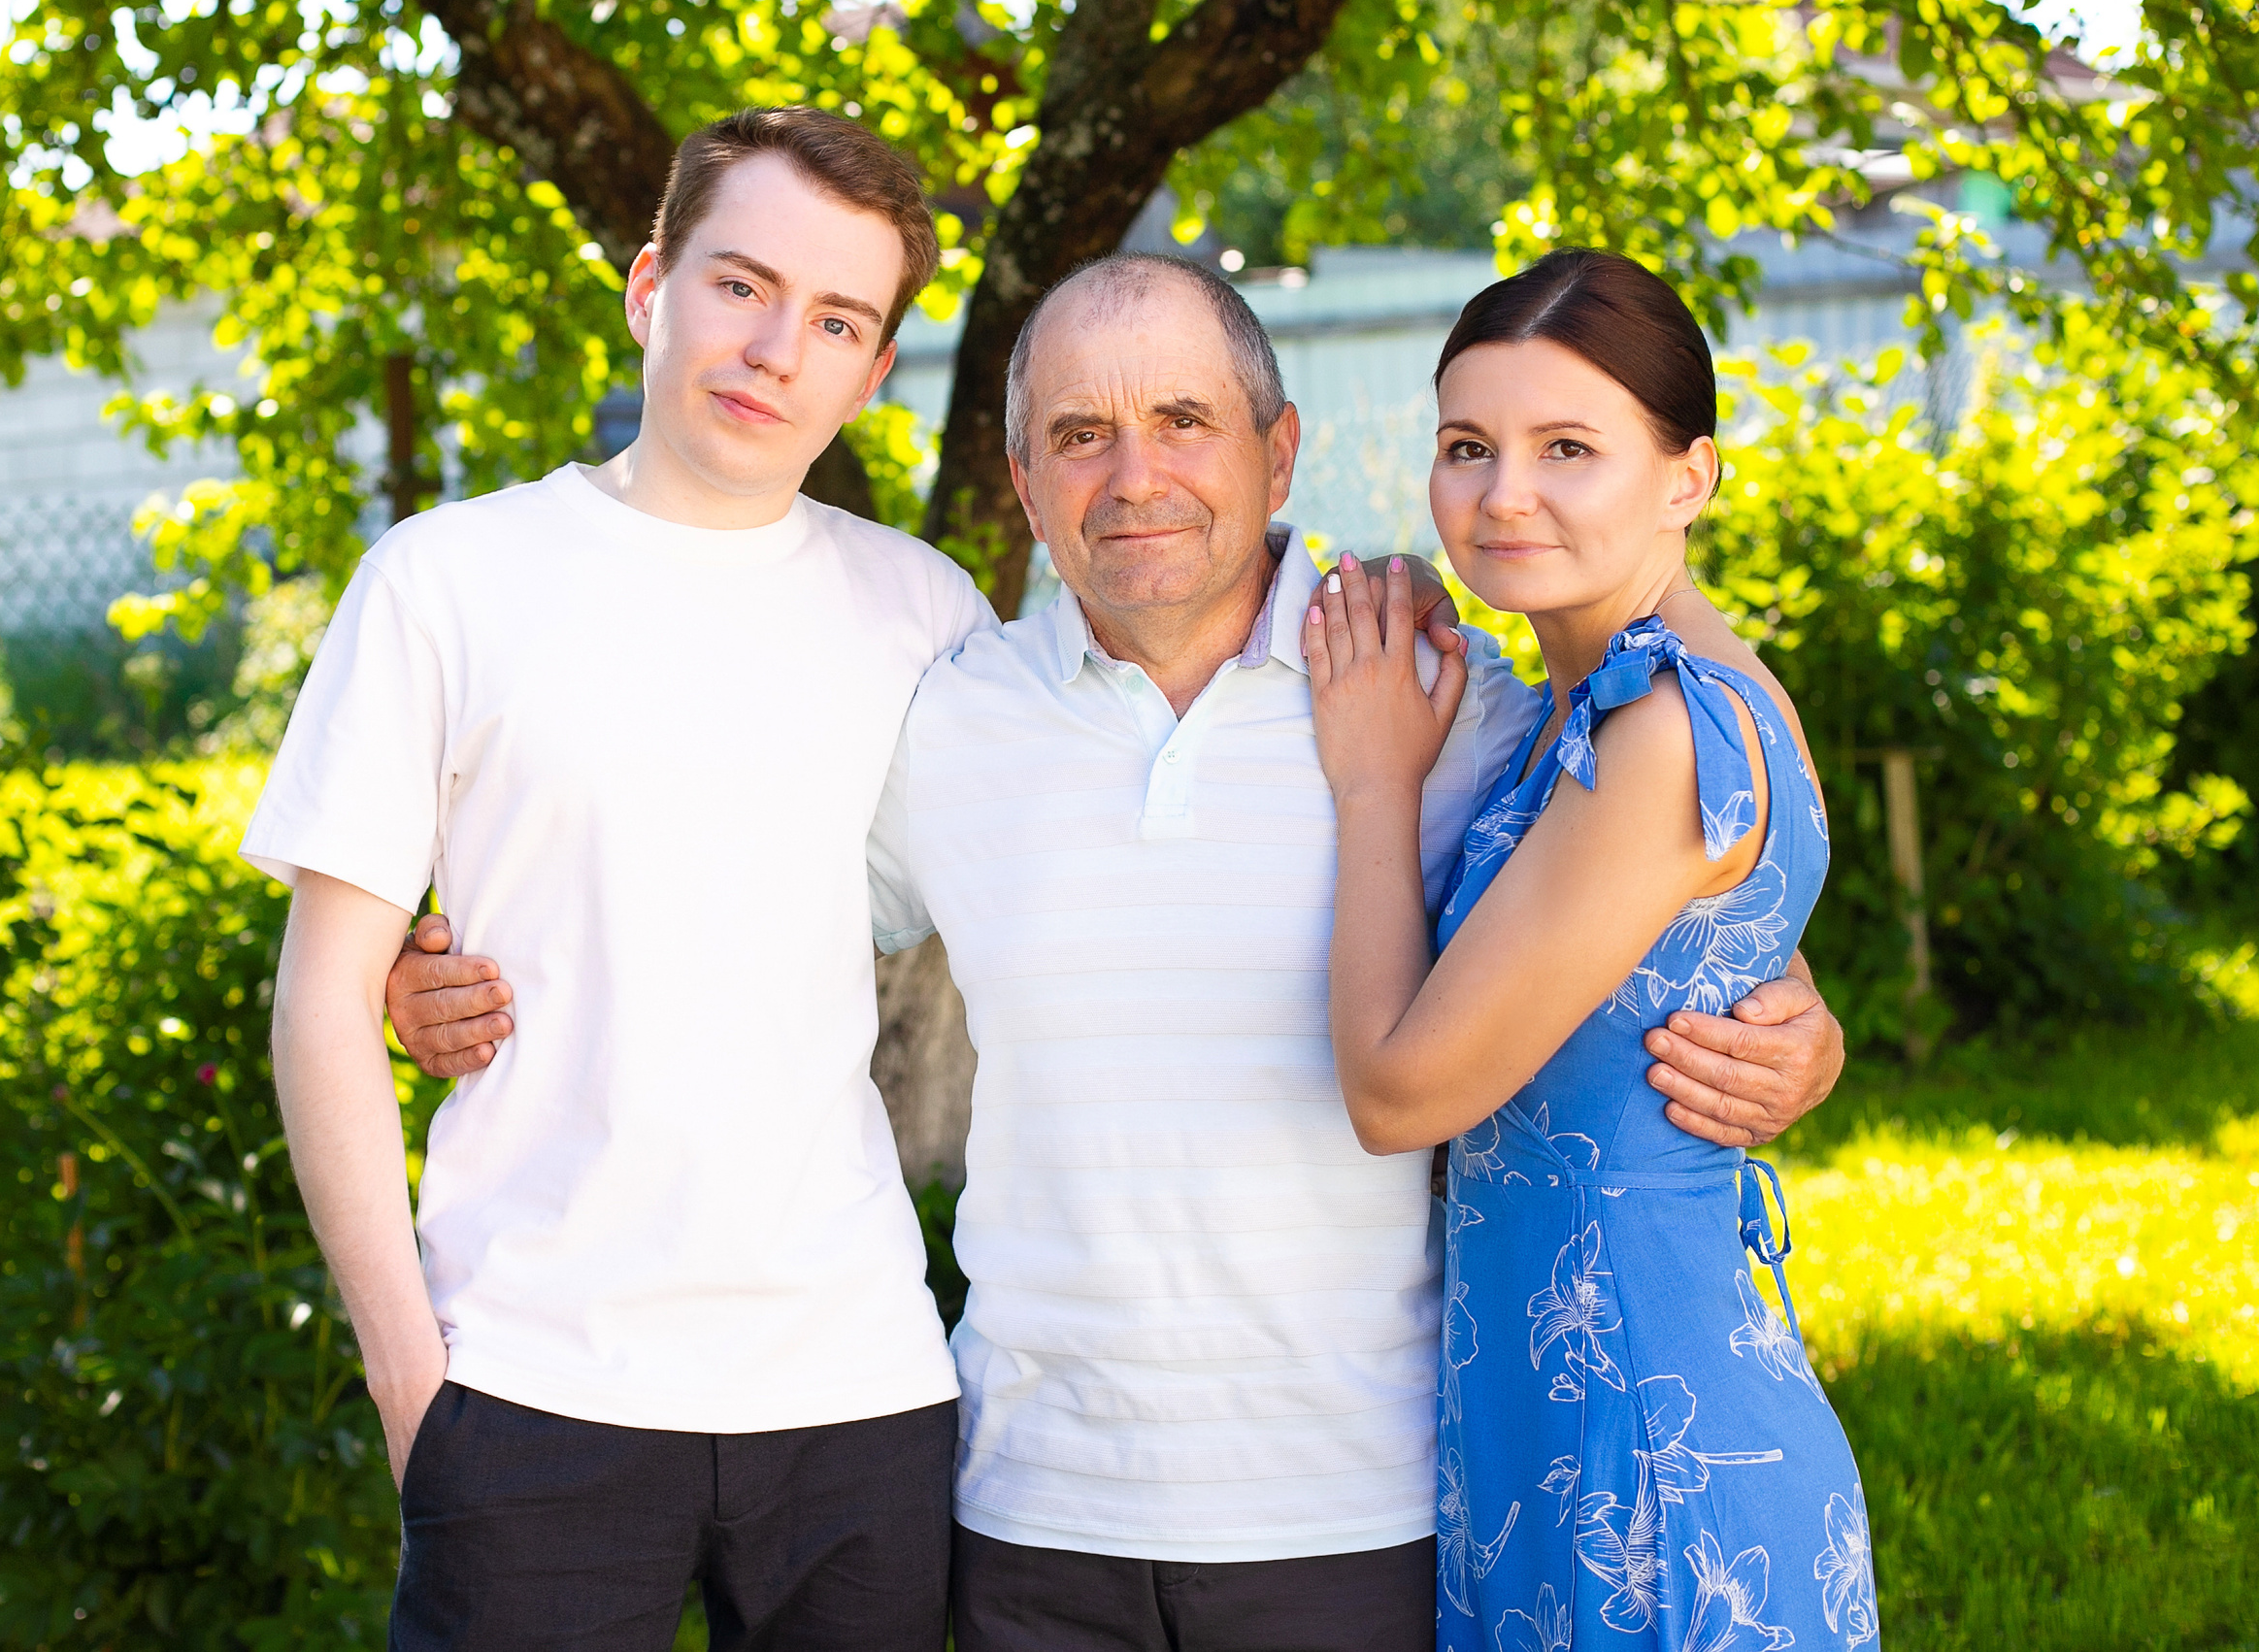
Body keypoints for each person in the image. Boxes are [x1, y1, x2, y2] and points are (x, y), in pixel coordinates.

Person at [388, 250, 1850, 1651]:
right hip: (1038, 1508)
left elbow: (1658, 894)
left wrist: (1786, 1014)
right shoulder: (950, 718)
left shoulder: (1437, 697)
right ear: (1022, 484)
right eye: (1079, 435)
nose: (1134, 475)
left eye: (1182, 422)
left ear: (1280, 456)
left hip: (1371, 1502)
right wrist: (434, 957)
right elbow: (714, 896)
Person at [249, 107, 996, 1649]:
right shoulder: (448, 581)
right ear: (653, 286)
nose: (777, 346)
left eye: (838, 320)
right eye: (743, 284)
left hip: (856, 1384)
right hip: (531, 1377)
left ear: (870, 373)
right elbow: (324, 998)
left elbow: (1064, 906)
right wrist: (411, 1376)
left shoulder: (928, 613)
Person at [1304, 248, 1877, 1650]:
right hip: (1564, 1409)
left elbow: (1400, 1091)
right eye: (1467, 445)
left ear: (1690, 476)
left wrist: (1374, 782)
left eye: (1570, 446)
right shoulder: (1657, 685)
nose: (1504, 494)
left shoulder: (1662, 729)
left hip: (1651, 1452)